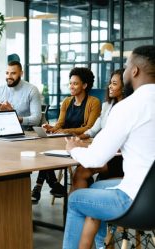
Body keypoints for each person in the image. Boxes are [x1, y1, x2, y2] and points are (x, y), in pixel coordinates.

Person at [62, 45, 155, 249]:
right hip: (148, 192)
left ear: (135, 71)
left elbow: (95, 159)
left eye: (126, 65)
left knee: (77, 199)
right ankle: (102, 245)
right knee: (95, 188)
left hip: (136, 201)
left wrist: (73, 149)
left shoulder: (129, 106)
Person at [32, 67, 101, 203]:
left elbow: (89, 128)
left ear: (85, 85)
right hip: (63, 140)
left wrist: (67, 131)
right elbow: (60, 125)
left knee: (48, 154)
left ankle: (40, 187)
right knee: (45, 152)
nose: (71, 86)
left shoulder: (94, 102)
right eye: (70, 83)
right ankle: (53, 184)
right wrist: (51, 128)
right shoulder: (67, 102)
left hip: (82, 142)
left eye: (75, 83)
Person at [72, 69, 126, 191]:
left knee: (81, 172)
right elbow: (95, 129)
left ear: (124, 87)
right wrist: (80, 136)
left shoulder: (129, 108)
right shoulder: (107, 105)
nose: (110, 87)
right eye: (110, 83)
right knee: (81, 169)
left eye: (114, 83)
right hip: (109, 152)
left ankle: (79, 205)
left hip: (120, 156)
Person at [0, 60, 42, 131]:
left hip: (24, 128)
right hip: (3, 127)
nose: (9, 76)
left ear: (21, 73)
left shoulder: (32, 90)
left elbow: (36, 119)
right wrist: (1, 114)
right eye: (7, 73)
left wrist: (15, 118)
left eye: (13, 73)